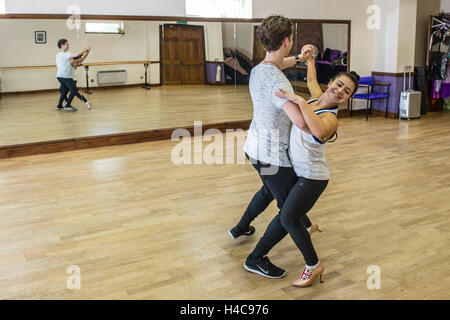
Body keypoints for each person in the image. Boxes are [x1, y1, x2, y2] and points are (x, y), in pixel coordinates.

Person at [227, 15, 317, 278]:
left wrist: (301, 58)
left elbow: (280, 63)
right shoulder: (279, 82)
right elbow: (301, 122)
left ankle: (240, 228)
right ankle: (256, 258)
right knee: (290, 210)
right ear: (287, 40)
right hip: (272, 157)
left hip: (254, 150)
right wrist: (303, 101)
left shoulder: (260, 69)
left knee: (268, 190)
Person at [55, 39, 90, 111]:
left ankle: (59, 106)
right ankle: (67, 105)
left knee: (64, 91)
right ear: (62, 45)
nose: (68, 46)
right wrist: (85, 49)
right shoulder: (63, 54)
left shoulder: (58, 55)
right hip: (65, 76)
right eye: (67, 44)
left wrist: (86, 53)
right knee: (74, 90)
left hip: (59, 76)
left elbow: (79, 58)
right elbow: (77, 55)